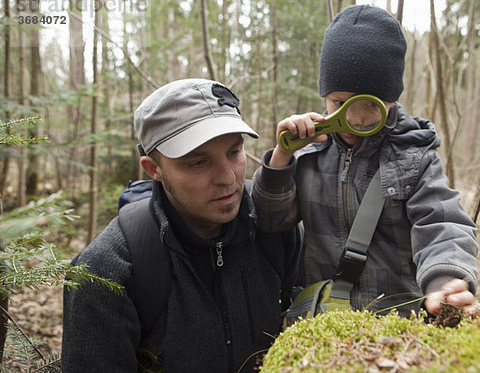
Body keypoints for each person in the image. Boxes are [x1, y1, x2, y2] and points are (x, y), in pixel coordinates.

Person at [252, 5, 480, 318]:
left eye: (367, 107)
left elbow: (442, 223)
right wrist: (282, 157)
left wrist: (445, 281)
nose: (353, 121)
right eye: (340, 104)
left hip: (398, 322)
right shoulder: (308, 156)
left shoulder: (414, 157)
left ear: (391, 100)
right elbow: (271, 221)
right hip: (324, 323)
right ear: (325, 96)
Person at [61, 78, 301, 372]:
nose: (227, 177)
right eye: (198, 162)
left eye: (233, 152)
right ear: (154, 169)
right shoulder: (107, 270)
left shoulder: (274, 228)